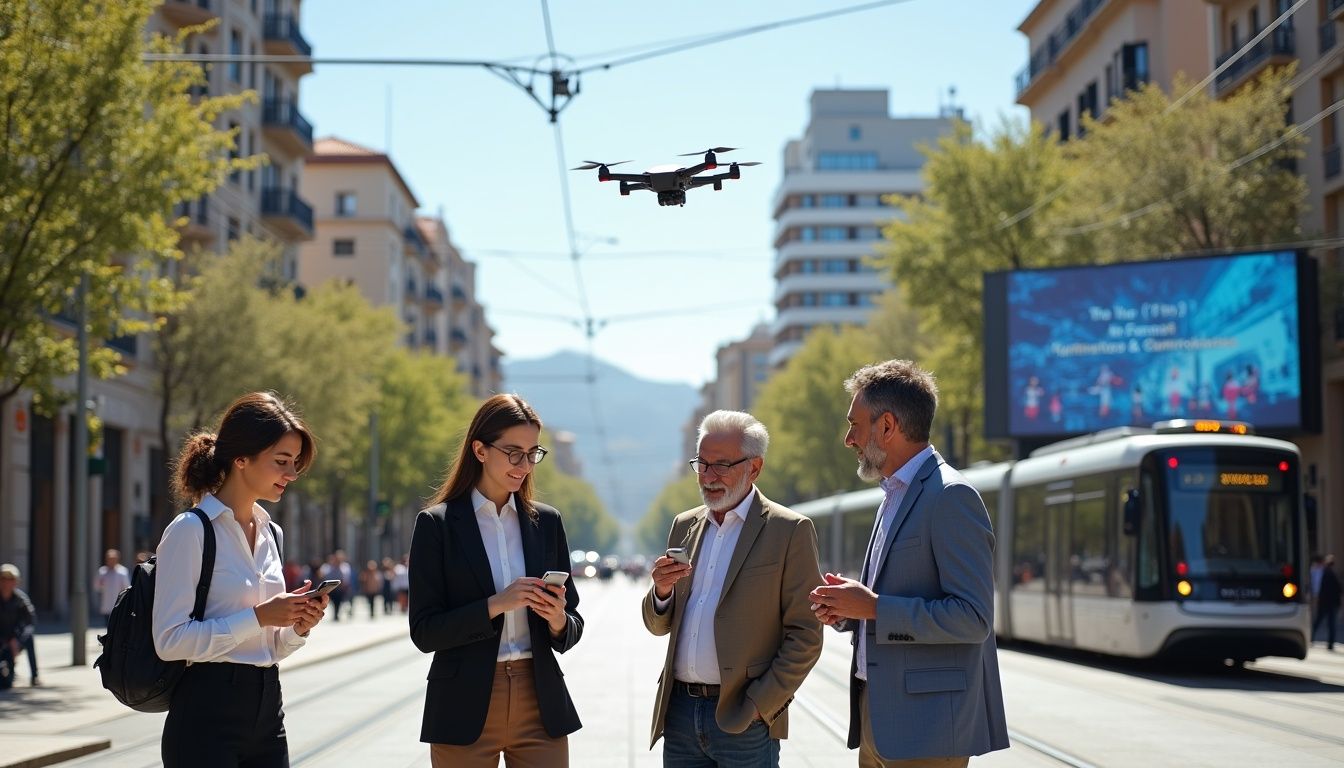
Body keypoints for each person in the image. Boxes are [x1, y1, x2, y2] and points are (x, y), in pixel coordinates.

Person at [810, 360, 1009, 767]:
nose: (848, 439)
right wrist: (849, 610)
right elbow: (892, 596)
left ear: (887, 426)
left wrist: (874, 607)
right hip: (879, 717)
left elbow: (973, 618)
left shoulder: (951, 496)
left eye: (855, 424)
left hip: (928, 727)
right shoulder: (893, 493)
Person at [153, 391, 329, 768]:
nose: (292, 474)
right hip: (205, 715)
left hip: (268, 709)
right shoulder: (191, 530)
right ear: (241, 460)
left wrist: (298, 627)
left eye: (295, 463)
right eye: (282, 461)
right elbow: (169, 641)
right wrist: (261, 617)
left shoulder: (272, 534)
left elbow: (271, 648)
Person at [408, 394, 583, 767]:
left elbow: (573, 625)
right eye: (514, 452)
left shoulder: (547, 522)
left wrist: (556, 619)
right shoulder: (436, 526)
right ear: (480, 450)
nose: (525, 465)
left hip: (540, 703)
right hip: (462, 703)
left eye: (533, 453)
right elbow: (424, 631)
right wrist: (496, 605)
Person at [643, 410, 823, 768]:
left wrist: (760, 706)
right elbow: (657, 624)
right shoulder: (684, 526)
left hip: (745, 722)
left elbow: (806, 635)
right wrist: (661, 592)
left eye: (721, 465)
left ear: (754, 468)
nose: (707, 477)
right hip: (678, 714)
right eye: (702, 464)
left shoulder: (790, 531)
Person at [0, 563, 39, 687]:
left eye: (10, 580)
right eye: (3, 579)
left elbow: (30, 622)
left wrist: (17, 640)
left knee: (30, 639)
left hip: (15, 637)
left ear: (16, 582)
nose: (6, 583)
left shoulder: (21, 600)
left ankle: (35, 675)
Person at [94, 548, 132, 626]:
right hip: (106, 605)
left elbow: (127, 588)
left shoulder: (122, 572)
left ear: (117, 559)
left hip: (119, 606)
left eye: (113, 559)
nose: (111, 561)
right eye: (109, 559)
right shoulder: (102, 571)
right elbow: (96, 587)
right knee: (108, 626)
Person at [1313, 554, 1341, 651]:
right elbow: (1339, 589)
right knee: (1331, 623)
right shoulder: (1333, 573)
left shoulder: (1324, 573)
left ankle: (1311, 637)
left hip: (1325, 602)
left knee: (1319, 621)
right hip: (1332, 603)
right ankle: (1330, 643)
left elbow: (1321, 588)